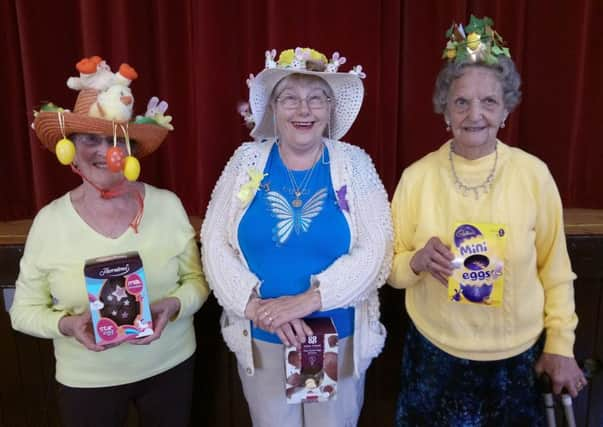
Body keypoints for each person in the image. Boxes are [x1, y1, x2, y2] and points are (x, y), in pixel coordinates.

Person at [388, 16, 587, 426]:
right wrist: (416, 262)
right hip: (434, 359)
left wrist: (561, 345)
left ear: (506, 109)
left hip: (516, 363)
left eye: (488, 102)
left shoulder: (533, 174)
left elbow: (556, 270)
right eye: (461, 101)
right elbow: (389, 268)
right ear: (444, 108)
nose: (474, 114)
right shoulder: (417, 177)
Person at [10, 56, 209, 427]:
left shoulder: (167, 206)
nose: (105, 151)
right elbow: (23, 312)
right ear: (69, 147)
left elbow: (197, 283)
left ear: (130, 148)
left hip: (171, 365)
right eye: (90, 139)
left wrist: (174, 306)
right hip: (87, 380)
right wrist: (67, 326)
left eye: (115, 139)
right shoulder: (49, 223)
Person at [201, 47, 392, 426]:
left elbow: (377, 248)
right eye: (290, 98)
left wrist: (309, 300)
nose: (303, 110)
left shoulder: (354, 163)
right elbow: (213, 241)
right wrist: (256, 308)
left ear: (329, 109)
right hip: (263, 337)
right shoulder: (245, 161)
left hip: (336, 339)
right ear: (273, 108)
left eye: (315, 98)